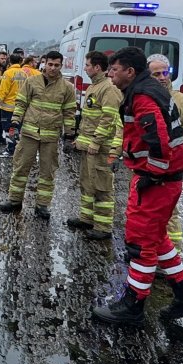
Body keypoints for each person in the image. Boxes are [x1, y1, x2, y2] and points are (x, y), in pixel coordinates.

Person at [92, 47, 183, 326]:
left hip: (157, 181)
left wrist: (152, 175)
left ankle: (133, 304)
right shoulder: (144, 91)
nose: (110, 74)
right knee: (157, 239)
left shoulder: (143, 97)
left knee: (140, 243)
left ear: (130, 72)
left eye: (114, 70)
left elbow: (160, 142)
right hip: (158, 179)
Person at [0, 51, 77, 218]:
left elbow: (69, 113)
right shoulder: (32, 81)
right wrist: (14, 123)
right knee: (20, 166)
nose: (53, 68)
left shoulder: (67, 87)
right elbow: (21, 103)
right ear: (44, 63)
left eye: (56, 65)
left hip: (51, 137)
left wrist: (69, 136)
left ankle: (42, 205)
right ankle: (14, 200)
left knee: (47, 173)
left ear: (61, 66)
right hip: (29, 134)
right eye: (50, 64)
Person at [146, 54, 183, 252]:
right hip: (144, 168)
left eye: (166, 73)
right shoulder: (142, 99)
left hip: (170, 169)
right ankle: (147, 252)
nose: (163, 77)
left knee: (168, 214)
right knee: (144, 212)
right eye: (157, 74)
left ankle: (171, 258)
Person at [65, 51, 122, 240]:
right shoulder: (94, 87)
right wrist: (79, 140)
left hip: (101, 147)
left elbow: (109, 118)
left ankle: (103, 227)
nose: (85, 68)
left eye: (88, 65)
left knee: (102, 187)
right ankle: (87, 218)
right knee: (87, 184)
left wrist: (97, 141)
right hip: (89, 146)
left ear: (97, 67)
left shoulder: (108, 88)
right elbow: (89, 119)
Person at [0, 53, 25, 157]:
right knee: (16, 128)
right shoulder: (24, 73)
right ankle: (15, 148)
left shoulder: (8, 73)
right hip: (20, 107)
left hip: (7, 107)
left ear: (9, 61)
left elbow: (3, 91)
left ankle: (10, 150)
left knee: (8, 129)